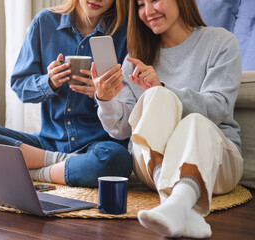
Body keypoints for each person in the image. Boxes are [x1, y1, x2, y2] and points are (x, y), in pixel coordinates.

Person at [92, 0, 243, 238]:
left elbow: (219, 107)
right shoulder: (136, 58)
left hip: (216, 162)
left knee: (192, 120)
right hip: (154, 166)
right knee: (156, 97)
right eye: (140, 4)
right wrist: (105, 99)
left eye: (155, 0)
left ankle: (176, 204)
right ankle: (180, 205)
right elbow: (122, 130)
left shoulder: (220, 42)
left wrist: (162, 87)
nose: (148, 11)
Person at [0, 0, 132, 187]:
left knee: (118, 159)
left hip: (97, 147)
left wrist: (102, 95)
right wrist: (49, 82)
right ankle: (62, 166)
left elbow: (130, 101)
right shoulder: (45, 22)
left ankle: (36, 171)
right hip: (47, 143)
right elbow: (20, 85)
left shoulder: (126, 32)